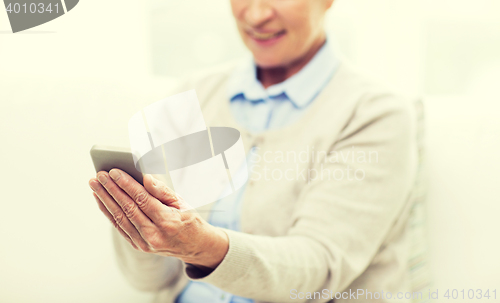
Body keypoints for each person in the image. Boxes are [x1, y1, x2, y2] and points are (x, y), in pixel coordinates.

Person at [88, 0, 428, 302]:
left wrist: (203, 247)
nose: (256, 14)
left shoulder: (375, 113)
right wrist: (139, 224)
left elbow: (316, 268)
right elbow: (147, 280)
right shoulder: (196, 92)